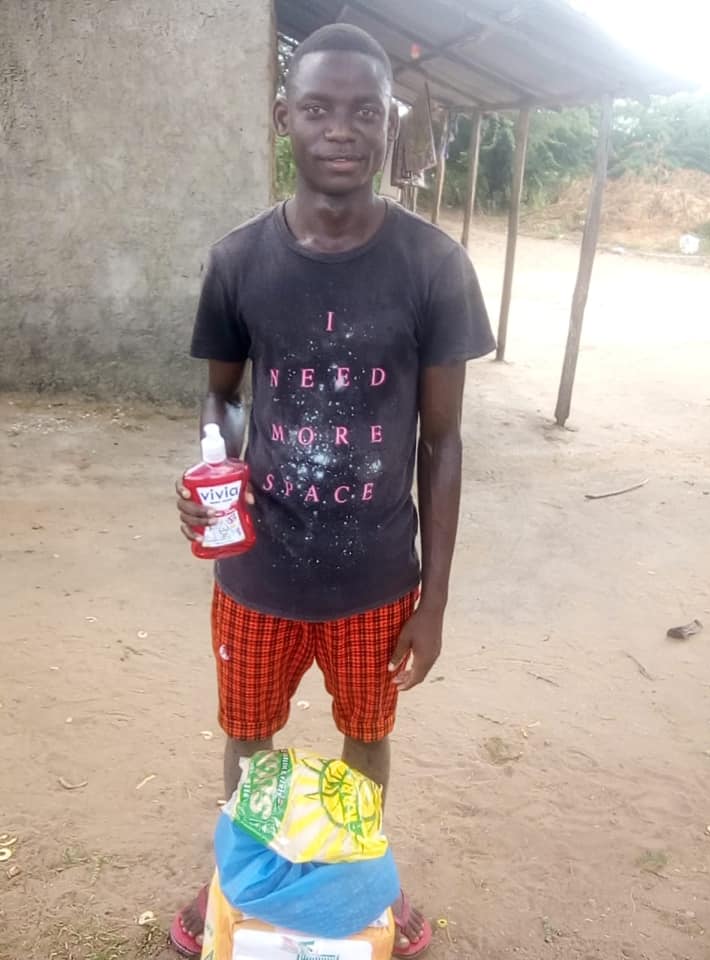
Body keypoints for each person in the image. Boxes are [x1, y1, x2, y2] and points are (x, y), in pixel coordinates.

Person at [172, 22, 495, 959]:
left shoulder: (433, 267)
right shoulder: (238, 261)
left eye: (363, 110)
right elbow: (220, 398)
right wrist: (206, 469)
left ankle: (357, 895)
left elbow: (444, 445)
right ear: (286, 119)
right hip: (257, 574)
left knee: (365, 742)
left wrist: (432, 602)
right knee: (250, 743)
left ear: (390, 124)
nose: (341, 129)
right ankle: (245, 891)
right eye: (318, 108)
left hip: (376, 583)